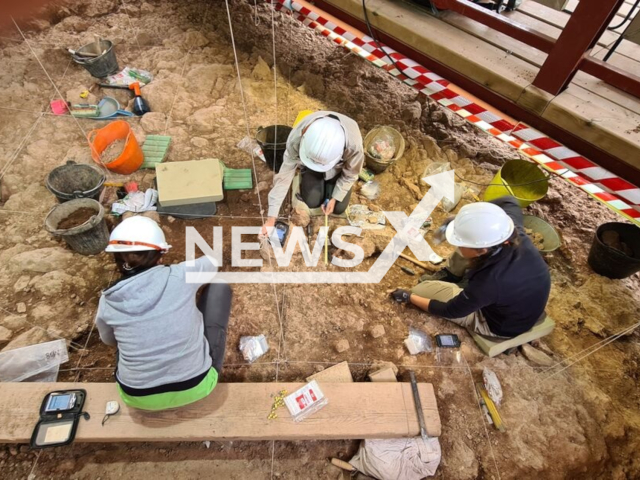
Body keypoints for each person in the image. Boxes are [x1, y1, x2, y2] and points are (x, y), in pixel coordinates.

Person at [95, 216, 232, 411]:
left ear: (117, 260)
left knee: (124, 342)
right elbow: (212, 263)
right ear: (161, 255)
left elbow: (110, 341)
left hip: (137, 396)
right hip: (197, 386)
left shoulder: (108, 300)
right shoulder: (181, 274)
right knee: (219, 288)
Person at [391, 196, 551, 338]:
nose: (455, 245)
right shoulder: (507, 233)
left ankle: (460, 286)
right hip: (514, 296)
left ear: (483, 250)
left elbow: (451, 311)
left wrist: (409, 297)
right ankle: (452, 275)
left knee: (422, 290)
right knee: (466, 247)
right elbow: (509, 200)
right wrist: (467, 221)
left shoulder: (490, 281)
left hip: (499, 324)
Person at [261, 111, 364, 234]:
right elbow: (284, 176)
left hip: (338, 171)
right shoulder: (297, 137)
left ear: (342, 152)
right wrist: (271, 218)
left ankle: (330, 187)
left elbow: (350, 174)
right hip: (311, 169)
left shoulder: (354, 147)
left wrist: (335, 198)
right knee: (312, 201)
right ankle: (309, 175)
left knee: (339, 208)